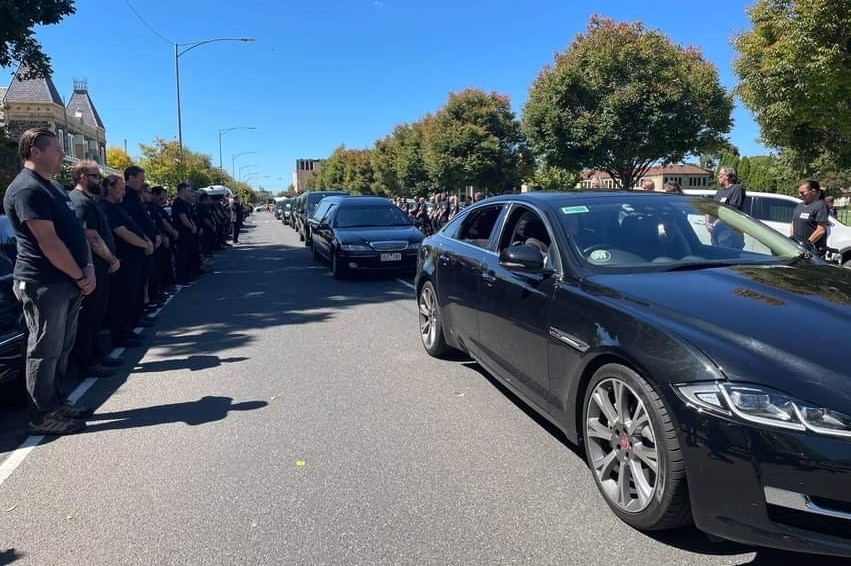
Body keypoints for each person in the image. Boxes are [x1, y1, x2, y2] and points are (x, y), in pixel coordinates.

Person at [3, 128, 96, 435]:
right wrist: (80, 274)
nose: (61, 155)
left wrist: (86, 269)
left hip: (66, 281)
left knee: (61, 348)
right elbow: (48, 242)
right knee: (44, 349)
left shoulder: (52, 187)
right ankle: (42, 415)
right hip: (44, 282)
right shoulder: (27, 189)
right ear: (35, 151)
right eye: (56, 149)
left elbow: (75, 235)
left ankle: (57, 402)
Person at [68, 161, 123, 379]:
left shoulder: (90, 201)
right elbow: (90, 237)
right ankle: (87, 361)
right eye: (95, 177)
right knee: (89, 317)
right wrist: (111, 259)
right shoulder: (80, 202)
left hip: (100, 268)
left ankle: (98, 354)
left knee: (97, 315)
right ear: (82, 177)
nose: (99, 181)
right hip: (93, 268)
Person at [100, 175, 152, 347]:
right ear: (109, 188)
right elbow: (122, 232)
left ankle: (127, 330)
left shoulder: (118, 207)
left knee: (129, 298)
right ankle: (120, 335)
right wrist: (144, 243)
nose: (123, 192)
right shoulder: (106, 207)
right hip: (122, 261)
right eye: (120, 189)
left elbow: (133, 227)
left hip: (132, 260)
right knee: (120, 301)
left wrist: (145, 239)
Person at [708, 166, 746, 249]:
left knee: (725, 257)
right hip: (715, 232)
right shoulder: (720, 191)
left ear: (727, 176)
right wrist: (707, 223)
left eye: (720, 174)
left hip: (727, 233)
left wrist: (714, 224)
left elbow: (731, 210)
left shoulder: (736, 189)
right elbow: (710, 208)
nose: (718, 177)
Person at [791, 180, 830, 255]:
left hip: (811, 250)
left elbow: (820, 230)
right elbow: (793, 223)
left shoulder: (821, 205)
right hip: (797, 248)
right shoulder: (799, 205)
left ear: (813, 191)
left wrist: (806, 245)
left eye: (802, 192)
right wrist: (793, 241)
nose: (800, 195)